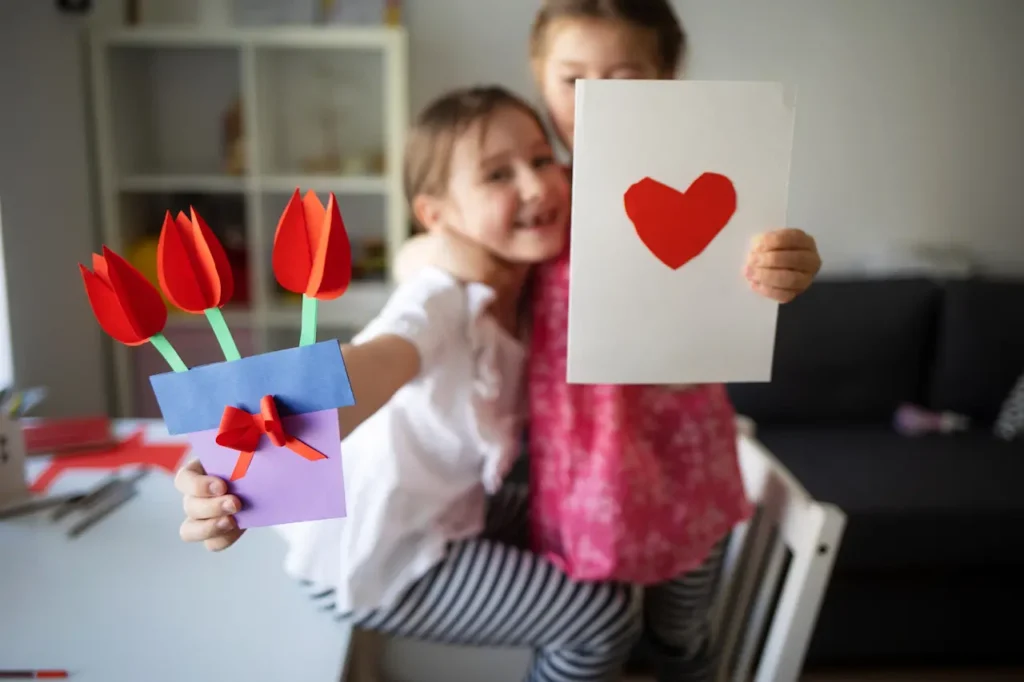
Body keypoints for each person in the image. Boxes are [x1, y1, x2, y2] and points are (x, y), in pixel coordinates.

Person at [395, 2, 824, 681]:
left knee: (680, 634)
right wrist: (420, 258)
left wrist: (784, 264)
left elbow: (751, 274)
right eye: (573, 80)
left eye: (624, 76)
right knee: (597, 627)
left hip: (690, 459)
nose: (596, 98)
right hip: (584, 470)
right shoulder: (543, 194)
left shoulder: (715, 181)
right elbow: (433, 250)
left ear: (668, 76)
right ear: (539, 78)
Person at [175, 85, 645, 682]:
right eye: (499, 174)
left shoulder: (539, 283)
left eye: (542, 159)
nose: (535, 185)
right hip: (375, 553)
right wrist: (235, 452)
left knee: (598, 518)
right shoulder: (440, 295)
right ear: (437, 215)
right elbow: (379, 358)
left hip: (450, 506)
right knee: (601, 618)